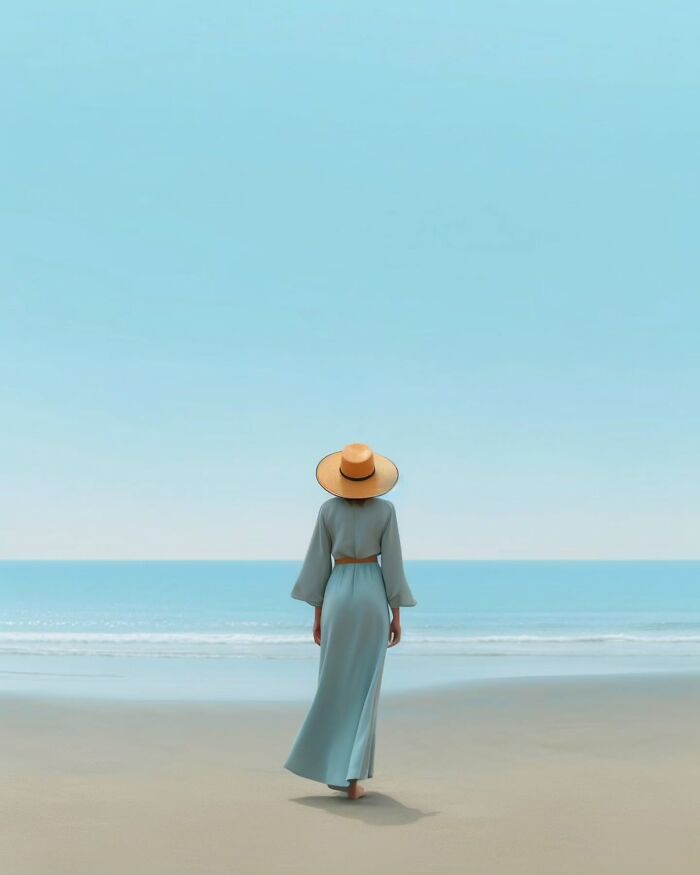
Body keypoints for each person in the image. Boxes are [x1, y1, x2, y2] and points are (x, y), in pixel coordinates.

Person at [283, 442, 417, 800]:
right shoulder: (386, 511)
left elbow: (317, 564)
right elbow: (393, 565)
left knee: (333, 685)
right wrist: (396, 614)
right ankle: (353, 780)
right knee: (365, 688)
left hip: (338, 596)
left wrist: (318, 615)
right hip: (372, 596)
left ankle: (333, 771)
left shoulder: (328, 510)